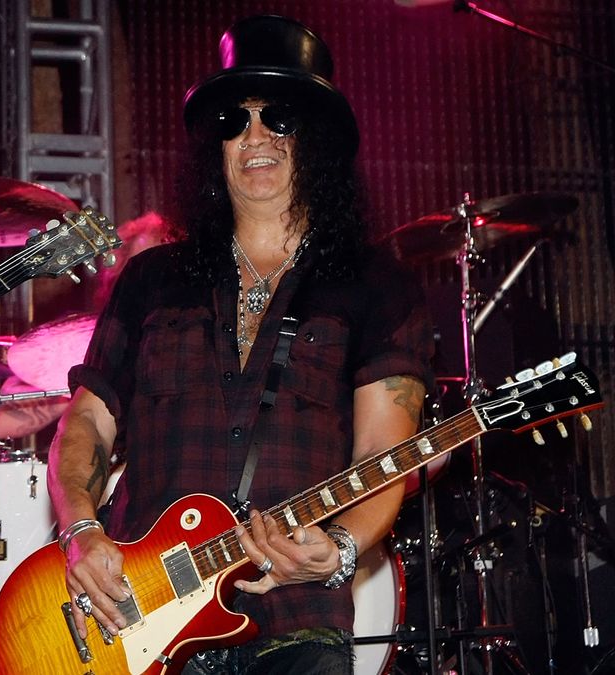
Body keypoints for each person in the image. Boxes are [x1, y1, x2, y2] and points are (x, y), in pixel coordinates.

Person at [47, 15, 434, 674]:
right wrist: (82, 531)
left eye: (278, 117)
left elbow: (384, 454)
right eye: (234, 121)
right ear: (213, 149)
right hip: (142, 621)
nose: (255, 136)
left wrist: (342, 546)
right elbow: (84, 421)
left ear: (313, 138)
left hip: (296, 620)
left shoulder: (376, 286)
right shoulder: (153, 280)